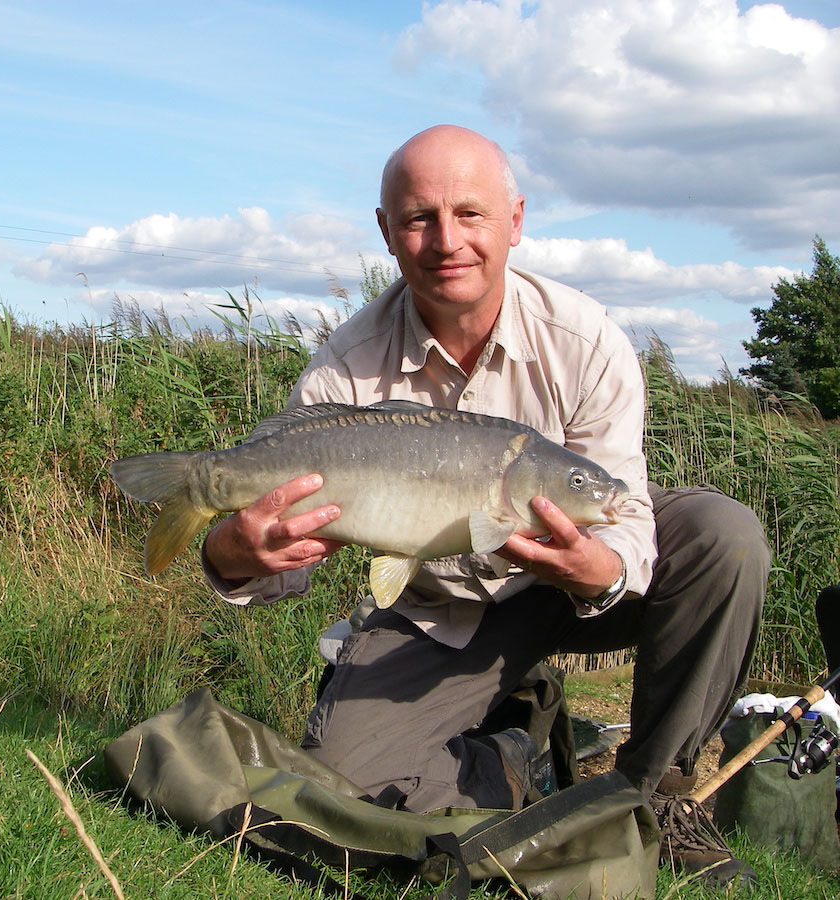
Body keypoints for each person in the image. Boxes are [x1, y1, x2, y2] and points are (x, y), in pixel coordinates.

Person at [201, 125, 768, 888]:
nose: (446, 240)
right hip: (444, 611)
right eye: (418, 218)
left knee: (724, 537)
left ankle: (653, 791)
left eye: (469, 213)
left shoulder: (586, 340)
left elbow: (626, 513)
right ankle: (511, 755)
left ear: (515, 220)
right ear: (386, 232)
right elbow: (287, 561)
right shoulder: (344, 369)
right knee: (348, 781)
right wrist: (232, 555)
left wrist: (594, 567)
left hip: (569, 582)